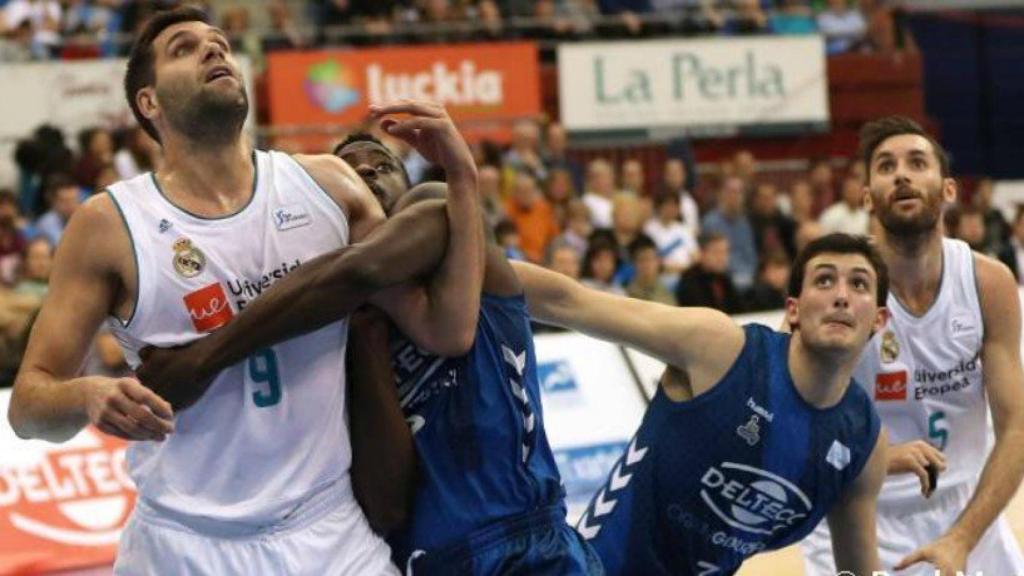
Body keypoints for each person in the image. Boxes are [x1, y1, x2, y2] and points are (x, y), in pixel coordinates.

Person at [7, 7, 484, 575]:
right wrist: (87, 396)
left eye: (220, 44)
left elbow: (446, 328)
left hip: (327, 533)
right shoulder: (109, 224)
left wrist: (461, 173)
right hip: (181, 543)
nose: (214, 51)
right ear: (149, 103)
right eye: (185, 48)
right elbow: (27, 407)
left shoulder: (329, 186)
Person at [135, 133, 603, 575]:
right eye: (353, 174)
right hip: (427, 560)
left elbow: (361, 269)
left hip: (525, 545)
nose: (370, 177)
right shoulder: (336, 341)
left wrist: (203, 359)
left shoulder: (442, 209)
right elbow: (388, 507)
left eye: (382, 166)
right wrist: (366, 340)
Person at [510, 233, 890, 575]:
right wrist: (466, 261)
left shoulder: (863, 445)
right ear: (793, 309)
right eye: (824, 280)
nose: (841, 295)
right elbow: (570, 302)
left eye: (859, 284)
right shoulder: (720, 348)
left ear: (879, 319)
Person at [801, 116, 1024, 575]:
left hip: (967, 516)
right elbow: (799, 429)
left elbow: (1017, 427)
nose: (901, 174)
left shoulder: (988, 283)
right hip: (858, 514)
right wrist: (878, 455)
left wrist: (962, 537)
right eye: (885, 166)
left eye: (916, 162)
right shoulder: (837, 290)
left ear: (947, 190)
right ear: (866, 197)